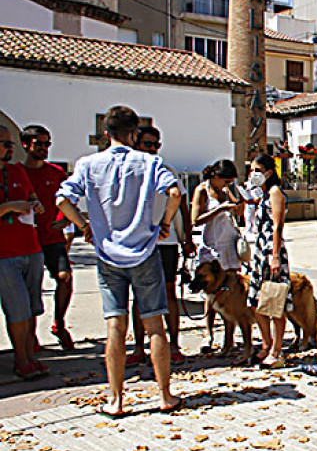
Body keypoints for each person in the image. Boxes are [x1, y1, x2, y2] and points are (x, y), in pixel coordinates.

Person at [56, 106, 182, 416]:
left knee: (115, 324)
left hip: (107, 252)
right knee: (154, 324)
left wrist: (84, 226)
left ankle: (115, 399)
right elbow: (175, 193)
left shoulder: (88, 164)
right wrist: (165, 223)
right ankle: (165, 394)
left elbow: (62, 199)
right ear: (134, 134)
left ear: (106, 133)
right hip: (144, 249)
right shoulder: (150, 162)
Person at [128, 126, 194, 366]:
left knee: (168, 292)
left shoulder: (167, 171)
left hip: (167, 242)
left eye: (156, 145)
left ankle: (174, 344)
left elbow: (182, 205)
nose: (153, 149)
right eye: (148, 144)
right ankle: (139, 348)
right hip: (138, 242)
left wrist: (186, 238)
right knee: (139, 296)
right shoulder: (129, 172)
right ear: (136, 144)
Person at [20, 124, 74, 350]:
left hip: (53, 238)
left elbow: (68, 200)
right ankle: (30, 335)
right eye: (39, 144)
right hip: (26, 240)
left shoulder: (56, 173)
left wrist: (66, 220)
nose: (44, 148)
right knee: (29, 287)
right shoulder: (17, 172)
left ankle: (59, 323)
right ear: (25, 145)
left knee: (65, 277)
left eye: (47, 144)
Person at [0, 125, 46, 379]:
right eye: (5, 144)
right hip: (5, 254)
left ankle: (30, 355)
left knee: (31, 307)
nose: (11, 149)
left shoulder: (16, 171)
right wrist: (8, 207)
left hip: (31, 248)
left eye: (11, 144)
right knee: (17, 308)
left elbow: (32, 196)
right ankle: (20, 359)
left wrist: (35, 204)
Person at [192, 159, 244, 354]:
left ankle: (229, 337)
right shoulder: (202, 191)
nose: (227, 184)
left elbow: (239, 211)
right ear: (215, 176)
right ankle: (209, 333)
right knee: (211, 292)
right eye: (225, 181)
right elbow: (195, 219)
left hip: (229, 244)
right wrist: (219, 209)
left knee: (231, 290)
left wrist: (238, 199)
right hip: (212, 245)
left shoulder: (227, 191)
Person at [246, 154, 291, 367]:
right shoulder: (262, 194)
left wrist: (274, 255)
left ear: (268, 172)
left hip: (271, 250)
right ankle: (266, 343)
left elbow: (277, 225)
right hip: (260, 250)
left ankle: (276, 349)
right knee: (258, 302)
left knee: (274, 302)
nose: (253, 174)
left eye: (257, 170)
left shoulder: (275, 192)